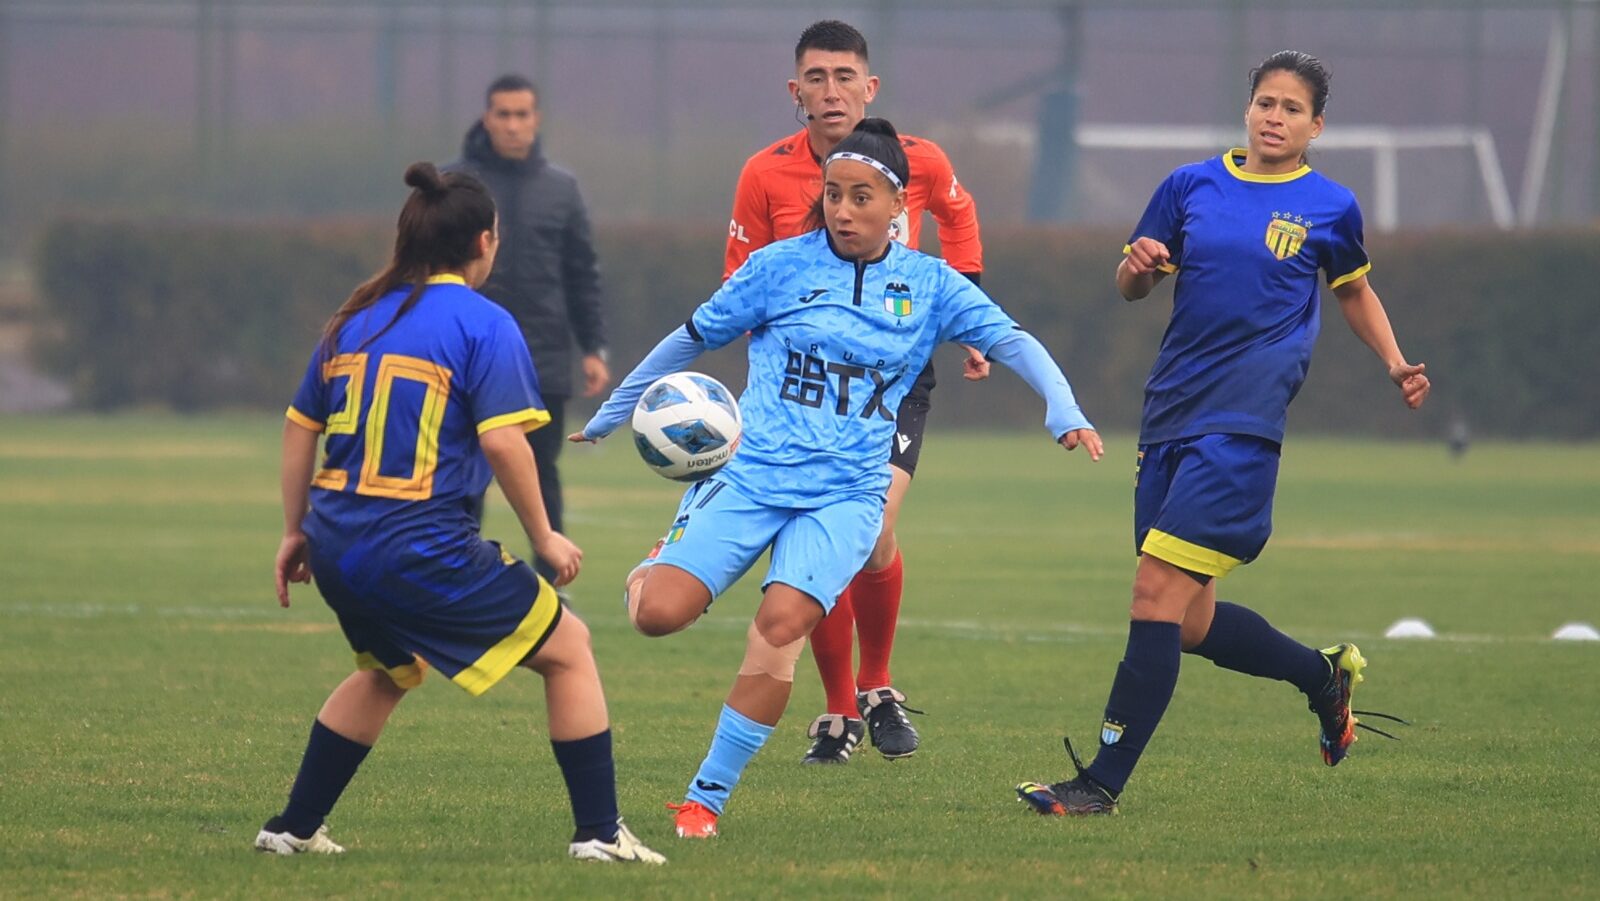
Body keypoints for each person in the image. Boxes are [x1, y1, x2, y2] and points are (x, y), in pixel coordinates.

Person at [573, 118, 1103, 839]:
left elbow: (1012, 339)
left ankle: (704, 800)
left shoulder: (929, 284)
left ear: (898, 207)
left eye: (861, 197)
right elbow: (693, 336)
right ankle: (654, 567)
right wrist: (615, 411)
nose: (844, 210)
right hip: (752, 474)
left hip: (848, 493)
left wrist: (1061, 404)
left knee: (782, 623)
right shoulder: (778, 266)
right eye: (833, 195)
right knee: (656, 615)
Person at [1015, 51, 1429, 817]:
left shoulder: (1328, 206)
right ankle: (1322, 675)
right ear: (1248, 111)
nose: (1275, 117)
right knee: (1188, 620)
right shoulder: (1190, 186)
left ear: (1316, 126)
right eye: (1265, 103)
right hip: (1169, 417)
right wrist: (1138, 265)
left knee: (1151, 594)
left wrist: (1398, 363)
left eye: (1292, 109)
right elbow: (1133, 283)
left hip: (1241, 428)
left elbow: (1356, 294)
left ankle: (1099, 784)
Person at [257, 162, 664, 865]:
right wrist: (545, 535)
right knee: (569, 649)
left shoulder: (354, 318)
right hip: (416, 543)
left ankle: (290, 828)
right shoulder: (484, 323)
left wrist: (296, 530)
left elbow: (300, 427)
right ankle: (600, 833)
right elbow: (505, 440)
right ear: (484, 241)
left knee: (389, 668)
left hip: (336, 541)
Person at [725, 19, 990, 765]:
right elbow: (738, 284)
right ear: (795, 92)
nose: (831, 90)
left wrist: (969, 310)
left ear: (870, 88)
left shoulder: (919, 161)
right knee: (821, 542)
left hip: (891, 381)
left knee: (868, 533)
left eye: (846, 76)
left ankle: (875, 685)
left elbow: (959, 214)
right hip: (802, 392)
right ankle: (840, 710)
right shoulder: (764, 174)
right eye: (817, 77)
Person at [446, 74, 611, 586]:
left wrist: (592, 346)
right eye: (503, 114)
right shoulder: (455, 185)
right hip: (463, 356)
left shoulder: (560, 189)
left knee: (541, 474)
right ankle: (454, 581)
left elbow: (581, 272)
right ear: (486, 118)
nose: (513, 125)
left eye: (522, 115)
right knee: (460, 478)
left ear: (536, 120)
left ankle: (549, 590)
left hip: (539, 358)